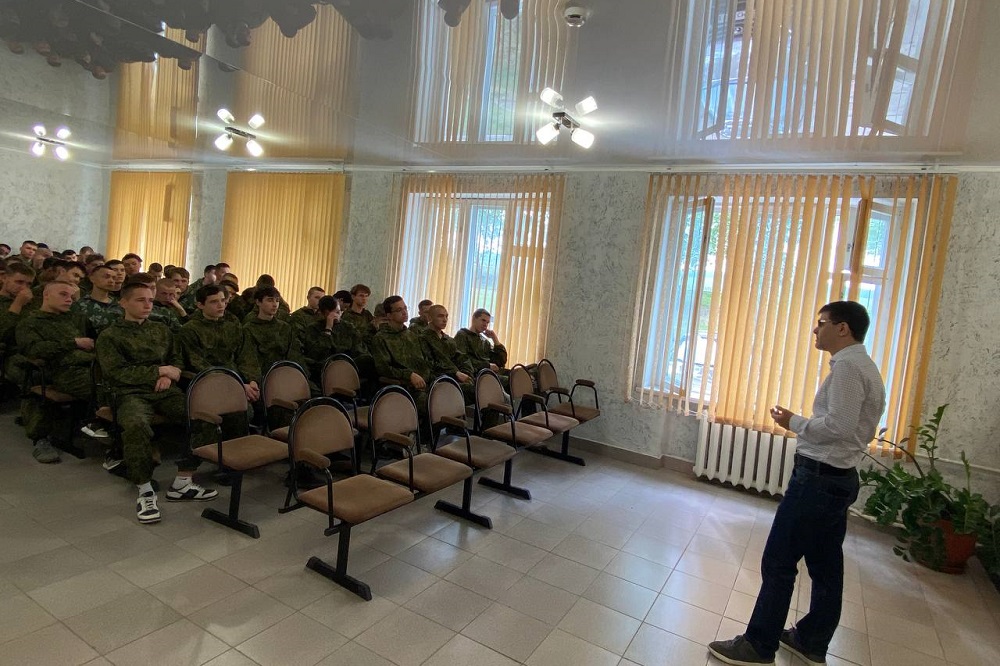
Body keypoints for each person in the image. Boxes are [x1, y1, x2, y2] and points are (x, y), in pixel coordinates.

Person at [709, 301, 886, 666]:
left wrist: (794, 422)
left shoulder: (848, 367)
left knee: (779, 560)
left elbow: (838, 427)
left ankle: (758, 646)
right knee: (825, 565)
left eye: (822, 323)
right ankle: (810, 640)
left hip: (818, 480)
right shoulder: (861, 365)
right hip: (837, 478)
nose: (815, 330)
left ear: (843, 328)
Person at [96, 282, 218, 524]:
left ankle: (183, 481)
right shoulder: (110, 336)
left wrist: (168, 375)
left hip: (164, 391)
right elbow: (115, 373)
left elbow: (176, 360)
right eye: (140, 300)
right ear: (123, 303)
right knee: (136, 426)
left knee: (204, 417)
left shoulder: (161, 330)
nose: (147, 305)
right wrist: (158, 371)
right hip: (130, 393)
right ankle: (144, 490)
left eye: (150, 300)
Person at [15, 281, 95, 463]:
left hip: (88, 366)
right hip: (60, 372)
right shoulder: (30, 322)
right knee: (104, 388)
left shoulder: (74, 318)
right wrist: (73, 343)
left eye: (71, 297)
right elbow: (34, 350)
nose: (69, 300)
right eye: (63, 295)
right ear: (46, 295)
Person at [176, 284, 260, 403]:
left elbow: (246, 355)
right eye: (214, 302)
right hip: (208, 381)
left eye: (223, 300)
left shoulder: (232, 325)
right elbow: (197, 363)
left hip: (237, 378)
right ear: (200, 305)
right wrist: (235, 384)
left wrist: (252, 380)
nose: (221, 305)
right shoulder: (190, 329)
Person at [417, 304, 474, 394]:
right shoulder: (422, 338)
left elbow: (462, 358)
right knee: (473, 390)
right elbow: (430, 364)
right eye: (440, 316)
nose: (445, 320)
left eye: (446, 316)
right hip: (437, 379)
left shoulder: (448, 340)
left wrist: (467, 373)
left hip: (455, 377)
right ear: (430, 318)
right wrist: (455, 373)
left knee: (478, 386)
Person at [70, 265, 122, 336]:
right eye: (106, 277)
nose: (111, 281)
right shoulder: (80, 305)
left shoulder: (120, 305)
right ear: (92, 279)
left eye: (114, 278)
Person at [454, 308, 508, 373]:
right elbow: (462, 359)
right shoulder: (462, 335)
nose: (485, 324)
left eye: (487, 322)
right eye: (483, 320)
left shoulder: (484, 342)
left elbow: (501, 362)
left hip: (488, 373)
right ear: (474, 319)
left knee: (514, 373)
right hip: (473, 373)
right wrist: (487, 365)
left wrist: (494, 338)